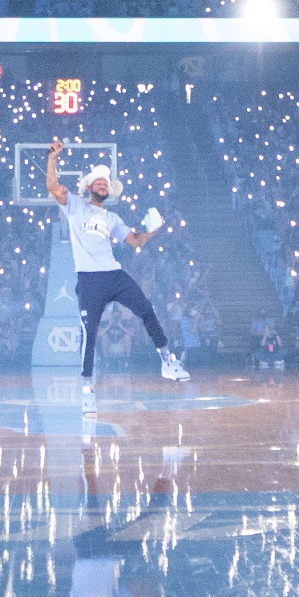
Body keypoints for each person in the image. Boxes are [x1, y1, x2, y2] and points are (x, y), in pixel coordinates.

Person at [45, 138, 184, 419]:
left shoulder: (113, 218)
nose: (103, 185)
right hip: (89, 279)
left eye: (106, 183)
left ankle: (168, 361)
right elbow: (53, 187)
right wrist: (52, 158)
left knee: (146, 309)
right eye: (98, 182)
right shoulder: (75, 206)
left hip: (113, 274)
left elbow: (135, 241)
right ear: (89, 186)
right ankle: (87, 392)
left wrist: (154, 229)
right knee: (90, 333)